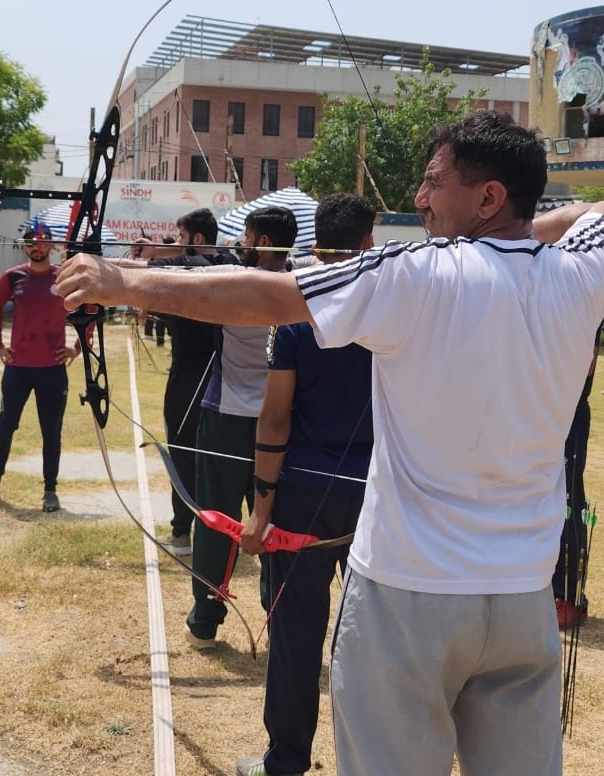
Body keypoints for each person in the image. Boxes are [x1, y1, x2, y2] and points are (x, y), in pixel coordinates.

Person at [57, 110, 604, 776]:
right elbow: (589, 213)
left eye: (435, 182)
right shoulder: (583, 273)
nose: (419, 198)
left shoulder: (415, 275)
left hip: (409, 596)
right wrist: (517, 238)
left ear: (489, 196)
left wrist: (122, 282)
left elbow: (270, 297)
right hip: (522, 600)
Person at [237, 193, 376, 776]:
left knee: (297, 634)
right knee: (373, 637)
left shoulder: (297, 311)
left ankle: (286, 763)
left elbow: (275, 417)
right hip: (376, 491)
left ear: (314, 246)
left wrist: (260, 509)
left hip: (304, 492)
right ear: (368, 243)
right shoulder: (394, 305)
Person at [188, 206, 297, 647]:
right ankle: (281, 620)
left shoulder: (233, 281)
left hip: (229, 418)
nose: (241, 245)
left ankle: (205, 620)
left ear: (264, 242)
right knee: (277, 523)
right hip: (282, 421)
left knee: (216, 517)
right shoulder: (303, 281)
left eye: (248, 238)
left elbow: (181, 276)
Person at [145, 209, 237, 556]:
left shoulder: (188, 267)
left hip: (189, 379)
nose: (179, 243)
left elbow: (153, 271)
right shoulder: (231, 264)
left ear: (198, 239)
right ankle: (221, 531)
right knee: (218, 456)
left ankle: (182, 532)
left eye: (183, 237)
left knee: (183, 453)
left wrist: (153, 254)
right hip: (225, 380)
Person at [0, 225, 80, 512]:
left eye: (42, 242)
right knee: (5, 424)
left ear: (52, 246)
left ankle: (50, 490)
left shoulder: (63, 277)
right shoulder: (12, 277)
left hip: (52, 369)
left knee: (51, 430)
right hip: (18, 367)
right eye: (31, 243)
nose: (37, 247)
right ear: (24, 246)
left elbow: (89, 311)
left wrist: (76, 348)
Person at [553, 325, 600, 628]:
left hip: (569, 413)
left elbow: (587, 363)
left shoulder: (582, 306)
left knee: (569, 502)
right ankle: (557, 592)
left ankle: (568, 596)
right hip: (548, 411)